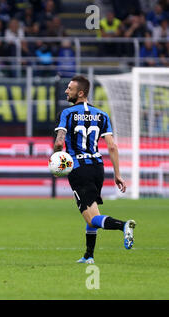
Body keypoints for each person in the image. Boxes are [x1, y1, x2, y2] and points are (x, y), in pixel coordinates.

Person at [54, 75, 136, 264]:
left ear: (80, 93)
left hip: (78, 169)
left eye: (70, 89)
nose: (66, 91)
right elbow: (112, 147)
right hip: (98, 168)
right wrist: (117, 175)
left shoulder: (67, 114)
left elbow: (59, 142)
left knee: (92, 218)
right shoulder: (102, 115)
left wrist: (55, 157)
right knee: (92, 209)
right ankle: (88, 256)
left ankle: (123, 225)